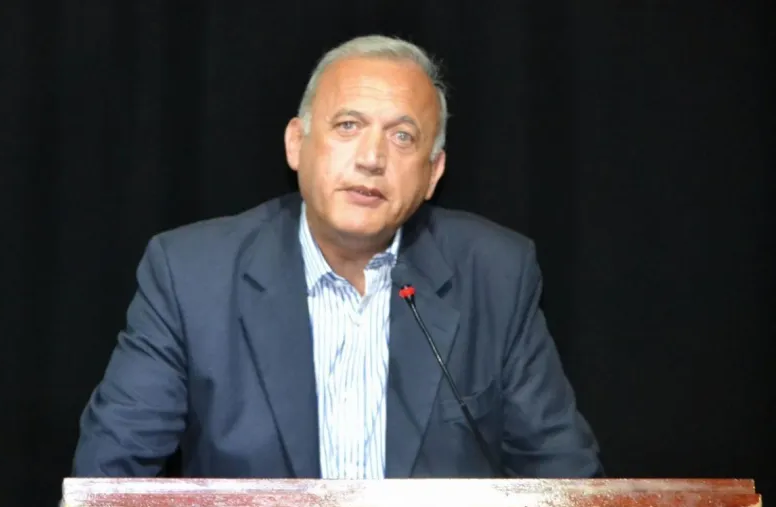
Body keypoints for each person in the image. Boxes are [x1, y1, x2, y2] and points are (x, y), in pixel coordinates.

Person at [71, 34, 603, 479]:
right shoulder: (190, 274)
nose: (372, 158)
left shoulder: (496, 275)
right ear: (296, 143)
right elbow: (109, 474)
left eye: (402, 136)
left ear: (433, 173)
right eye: (348, 126)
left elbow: (565, 475)